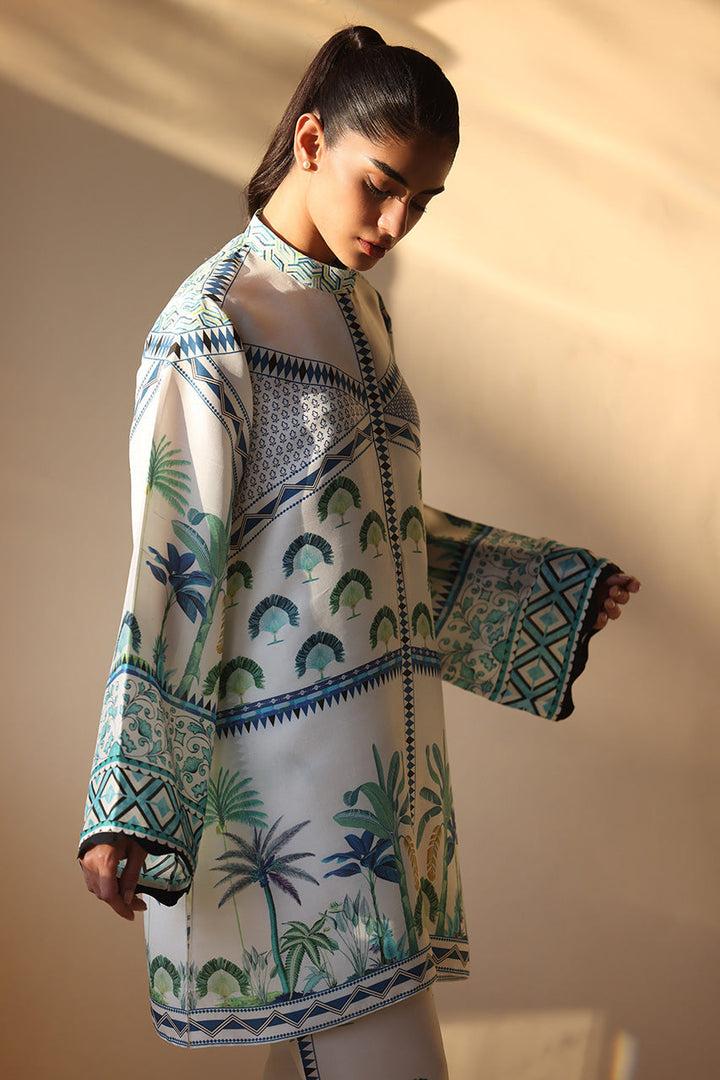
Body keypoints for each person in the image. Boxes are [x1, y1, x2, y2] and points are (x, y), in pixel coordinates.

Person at [78, 25, 639, 1080]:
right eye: (380, 186)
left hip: (380, 789)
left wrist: (541, 589)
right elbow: (173, 570)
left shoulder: (362, 315)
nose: (394, 224)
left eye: (421, 202)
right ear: (310, 142)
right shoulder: (214, 325)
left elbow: (362, 532)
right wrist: (127, 801)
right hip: (285, 796)